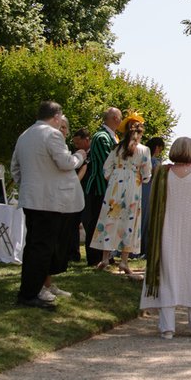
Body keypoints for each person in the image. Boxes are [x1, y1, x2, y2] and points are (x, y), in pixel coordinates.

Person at [10, 101, 89, 309]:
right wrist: (79, 156)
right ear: (56, 117)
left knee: (34, 246)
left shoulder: (25, 135)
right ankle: (30, 294)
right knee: (43, 248)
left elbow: (15, 168)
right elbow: (65, 163)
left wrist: (27, 187)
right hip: (51, 202)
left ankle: (28, 290)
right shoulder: (52, 135)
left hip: (32, 199)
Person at [140, 137, 191, 338]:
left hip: (168, 227)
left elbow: (153, 201)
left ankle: (167, 327)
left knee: (168, 272)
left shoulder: (161, 174)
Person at [90, 114, 152, 276]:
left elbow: (106, 169)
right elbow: (147, 175)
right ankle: (124, 261)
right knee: (130, 220)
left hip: (116, 186)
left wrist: (115, 178)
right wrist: (138, 177)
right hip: (133, 185)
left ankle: (105, 258)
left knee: (110, 218)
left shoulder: (117, 148)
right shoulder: (144, 150)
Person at [82, 107, 122, 265]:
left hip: (108, 188)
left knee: (107, 222)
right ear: (114, 118)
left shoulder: (112, 137)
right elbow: (108, 163)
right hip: (99, 187)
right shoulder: (101, 137)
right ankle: (94, 257)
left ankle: (106, 255)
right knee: (96, 222)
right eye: (120, 118)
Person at [139, 136, 167, 260]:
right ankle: (143, 248)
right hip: (149, 190)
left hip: (142, 189)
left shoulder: (143, 158)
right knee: (146, 218)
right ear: (157, 148)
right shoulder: (154, 160)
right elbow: (157, 173)